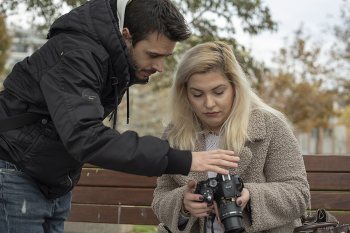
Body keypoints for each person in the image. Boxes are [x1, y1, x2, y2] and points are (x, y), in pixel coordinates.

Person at [0, 1, 239, 232]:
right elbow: (86, 136)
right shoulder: (77, 55)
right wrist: (183, 159)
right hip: (16, 174)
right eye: (153, 55)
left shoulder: (109, 58)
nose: (160, 67)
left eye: (165, 57)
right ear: (126, 35)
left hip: (51, 180)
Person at [152, 41, 311, 233]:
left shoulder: (270, 126)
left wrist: (251, 195)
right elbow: (161, 197)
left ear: (235, 87)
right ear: (184, 93)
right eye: (197, 94)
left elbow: (298, 194)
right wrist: (183, 205)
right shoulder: (175, 133)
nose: (209, 103)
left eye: (218, 92)